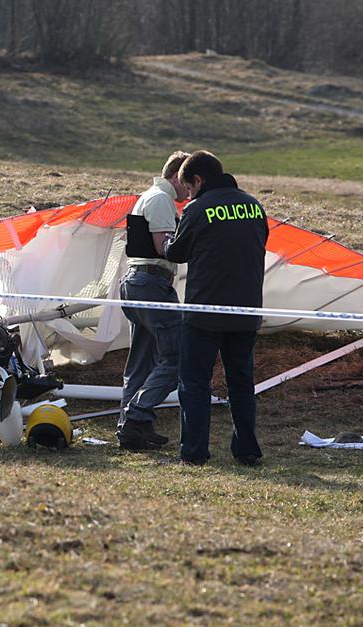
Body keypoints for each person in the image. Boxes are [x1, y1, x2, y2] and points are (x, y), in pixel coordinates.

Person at [164, 150, 269, 466]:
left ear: (198, 180)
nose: (189, 195)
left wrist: (168, 239)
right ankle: (247, 450)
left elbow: (177, 253)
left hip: (204, 312)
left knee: (194, 382)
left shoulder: (199, 208)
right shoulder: (253, 206)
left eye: (189, 188)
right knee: (241, 382)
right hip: (247, 310)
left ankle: (194, 453)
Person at [116, 150, 190, 450]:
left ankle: (131, 428)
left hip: (138, 283)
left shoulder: (148, 196)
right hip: (152, 283)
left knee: (141, 362)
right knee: (180, 355)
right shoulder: (161, 199)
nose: (189, 190)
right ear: (177, 177)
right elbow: (164, 247)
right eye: (187, 183)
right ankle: (137, 414)